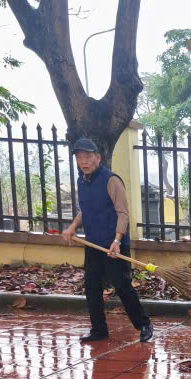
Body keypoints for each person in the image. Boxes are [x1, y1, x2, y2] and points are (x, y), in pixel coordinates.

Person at [60, 138, 153, 344]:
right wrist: (72, 227)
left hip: (114, 246)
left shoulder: (111, 180)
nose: (84, 161)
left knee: (122, 286)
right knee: (92, 286)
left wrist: (117, 240)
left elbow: (123, 213)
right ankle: (99, 330)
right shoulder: (82, 181)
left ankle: (144, 324)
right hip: (93, 245)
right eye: (79, 158)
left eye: (88, 157)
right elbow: (85, 211)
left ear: (98, 158)